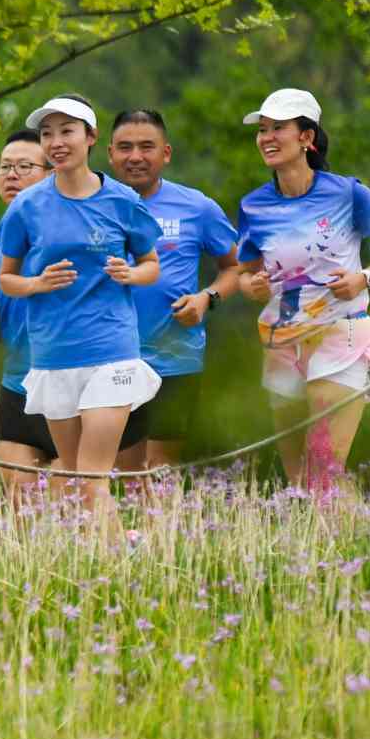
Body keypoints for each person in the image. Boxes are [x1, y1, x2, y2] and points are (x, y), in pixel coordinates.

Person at [231, 87, 370, 495]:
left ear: (306, 138)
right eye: (262, 129)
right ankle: (321, 551)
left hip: (339, 335)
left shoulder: (347, 193)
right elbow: (245, 273)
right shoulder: (253, 206)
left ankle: (342, 553)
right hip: (280, 342)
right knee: (298, 483)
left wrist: (364, 277)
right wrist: (251, 286)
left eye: (279, 128)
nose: (267, 138)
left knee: (322, 473)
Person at [0, 96, 162, 517]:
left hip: (112, 352)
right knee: (71, 479)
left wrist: (130, 274)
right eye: (47, 134)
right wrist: (37, 283)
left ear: (90, 137)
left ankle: (117, 578)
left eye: (66, 131)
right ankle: (93, 570)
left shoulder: (122, 200)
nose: (56, 142)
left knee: (90, 480)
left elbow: (151, 265)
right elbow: (6, 279)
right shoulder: (26, 207)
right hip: (53, 357)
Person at [107, 107, 242, 477]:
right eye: (125, 147)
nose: (135, 157)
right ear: (109, 154)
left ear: (166, 153)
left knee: (161, 469)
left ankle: (162, 534)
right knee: (120, 469)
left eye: (146, 147)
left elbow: (237, 267)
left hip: (175, 358)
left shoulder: (197, 207)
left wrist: (206, 298)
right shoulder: (94, 205)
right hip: (108, 355)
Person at [0, 127, 55, 497]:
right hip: (18, 384)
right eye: (3, 167)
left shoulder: (71, 234)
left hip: (72, 380)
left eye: (23, 166)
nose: (11, 175)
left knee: (72, 499)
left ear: (50, 174)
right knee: (21, 499)